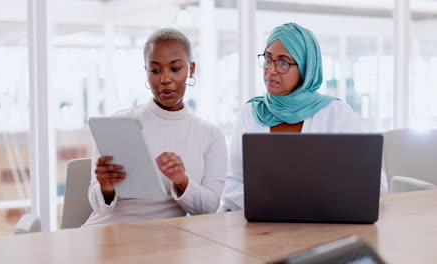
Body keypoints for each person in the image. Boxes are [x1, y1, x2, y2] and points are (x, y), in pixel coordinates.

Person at [223, 23, 388, 211]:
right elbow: (231, 183)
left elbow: (376, 183)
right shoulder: (250, 112)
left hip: (324, 222)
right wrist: (273, 206)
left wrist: (324, 196)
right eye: (268, 59)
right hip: (263, 225)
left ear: (306, 68)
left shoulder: (336, 113)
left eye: (283, 62)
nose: (271, 70)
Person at [83, 28, 227, 226]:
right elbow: (96, 203)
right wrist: (105, 188)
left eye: (175, 69)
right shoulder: (118, 125)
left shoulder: (210, 134)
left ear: (191, 69)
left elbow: (210, 207)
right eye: (155, 70)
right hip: (105, 232)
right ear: (146, 71)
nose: (165, 79)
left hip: (161, 240)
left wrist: (181, 181)